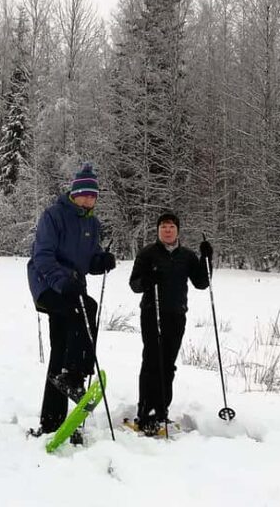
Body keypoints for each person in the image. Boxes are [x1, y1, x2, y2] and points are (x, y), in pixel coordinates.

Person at [27, 163, 116, 437]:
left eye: (93, 196)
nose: (89, 200)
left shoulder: (92, 223)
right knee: (87, 307)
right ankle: (75, 375)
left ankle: (52, 421)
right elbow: (42, 255)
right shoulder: (54, 216)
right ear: (74, 193)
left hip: (72, 287)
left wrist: (101, 261)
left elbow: (88, 260)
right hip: (47, 285)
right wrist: (60, 281)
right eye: (85, 194)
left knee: (60, 349)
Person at [128, 211, 213, 435]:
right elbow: (134, 284)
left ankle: (161, 410)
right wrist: (148, 280)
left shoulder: (187, 255)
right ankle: (145, 412)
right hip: (152, 313)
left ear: (177, 230)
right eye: (163, 226)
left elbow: (202, 283)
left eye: (171, 227)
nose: (167, 230)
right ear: (158, 230)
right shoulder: (147, 253)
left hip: (176, 314)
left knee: (168, 364)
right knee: (151, 362)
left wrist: (206, 259)